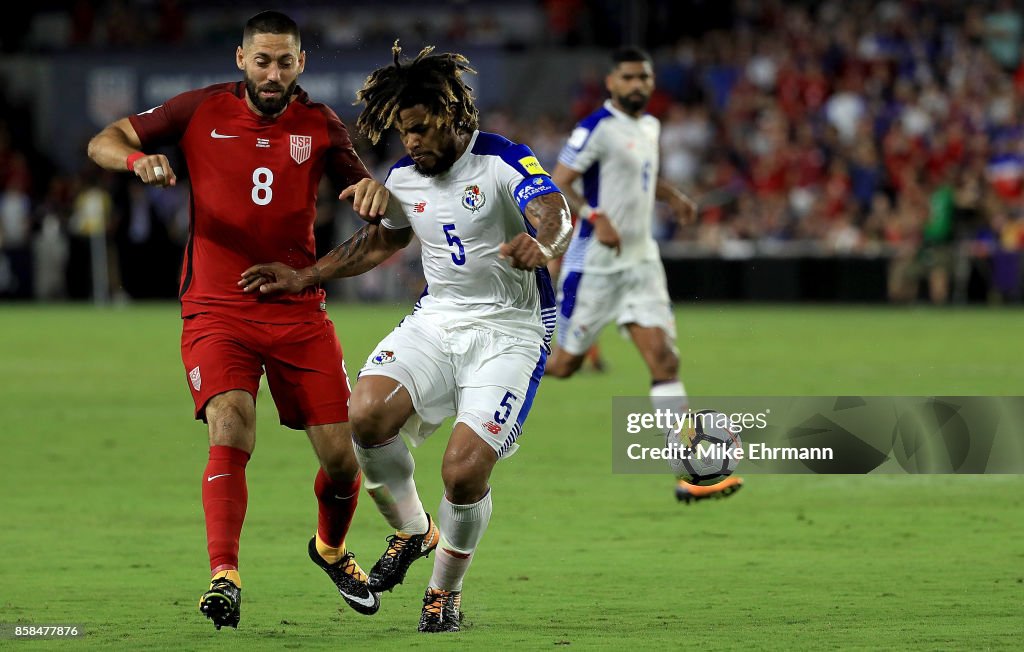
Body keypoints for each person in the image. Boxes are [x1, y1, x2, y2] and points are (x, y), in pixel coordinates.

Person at [240, 42, 572, 633]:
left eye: (420, 129)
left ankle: (444, 591)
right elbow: (383, 241)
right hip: (438, 318)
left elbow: (552, 207)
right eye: (403, 131)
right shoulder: (402, 177)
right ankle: (416, 530)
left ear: (452, 117)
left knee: (464, 473)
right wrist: (306, 275)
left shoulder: (500, 160)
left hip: (511, 331)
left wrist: (543, 242)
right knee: (364, 415)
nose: (411, 142)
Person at [87, 11, 389, 630]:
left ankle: (329, 548)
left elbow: (368, 203)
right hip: (216, 308)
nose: (272, 73)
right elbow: (104, 139)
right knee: (231, 424)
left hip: (299, 312)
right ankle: (224, 575)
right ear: (240, 59)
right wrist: (135, 162)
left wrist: (370, 194)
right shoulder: (199, 110)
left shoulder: (320, 125)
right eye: (262, 60)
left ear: (301, 63)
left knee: (341, 461)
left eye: (284, 62)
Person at [543, 47, 743, 503]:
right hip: (594, 264)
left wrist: (672, 196)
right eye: (629, 78)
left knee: (665, 363)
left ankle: (692, 472)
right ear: (612, 83)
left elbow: (643, 180)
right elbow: (559, 182)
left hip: (641, 262)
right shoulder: (595, 128)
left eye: (644, 78)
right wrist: (596, 217)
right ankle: (487, 378)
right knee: (565, 365)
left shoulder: (650, 126)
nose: (637, 85)